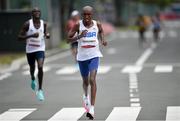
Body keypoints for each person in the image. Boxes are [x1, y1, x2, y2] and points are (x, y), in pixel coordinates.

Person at [68, 6, 107, 120]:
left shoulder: (97, 24)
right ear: (82, 15)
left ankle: (92, 108)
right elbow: (68, 39)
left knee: (92, 80)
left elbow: (101, 32)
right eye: (84, 14)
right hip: (82, 57)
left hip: (94, 55)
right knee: (85, 81)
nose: (86, 17)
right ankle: (85, 96)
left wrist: (103, 40)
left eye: (89, 14)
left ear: (92, 15)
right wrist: (79, 36)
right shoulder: (77, 25)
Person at [18, 7, 50, 101]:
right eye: (35, 12)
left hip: (40, 48)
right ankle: (32, 78)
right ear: (32, 14)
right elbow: (19, 37)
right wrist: (31, 35)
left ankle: (40, 90)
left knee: (40, 66)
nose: (37, 13)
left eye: (38, 11)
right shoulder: (27, 24)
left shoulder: (43, 23)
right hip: (30, 50)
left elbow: (45, 32)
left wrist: (47, 35)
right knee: (32, 67)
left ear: (40, 13)